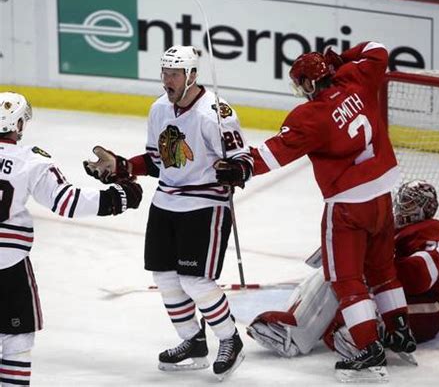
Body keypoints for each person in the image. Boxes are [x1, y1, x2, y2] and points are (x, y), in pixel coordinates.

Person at [214, 41, 415, 383]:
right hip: (383, 196)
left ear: (309, 83)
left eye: (301, 84)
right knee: (383, 270)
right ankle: (399, 332)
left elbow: (276, 151)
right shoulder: (356, 78)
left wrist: (241, 167)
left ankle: (368, 348)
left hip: (349, 206)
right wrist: (342, 57)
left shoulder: (312, 115)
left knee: (347, 280)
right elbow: (378, 50)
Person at [83, 45, 252, 381]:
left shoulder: (215, 113)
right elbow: (157, 162)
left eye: (173, 73)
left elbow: (243, 161)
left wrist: (235, 172)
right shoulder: (159, 109)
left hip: (205, 205)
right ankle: (193, 341)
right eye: (164, 73)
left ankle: (230, 339)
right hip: (165, 203)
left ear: (191, 75)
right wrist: (123, 167)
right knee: (164, 277)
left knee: (195, 280)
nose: (166, 80)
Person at [0, 92, 143, 387]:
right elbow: (67, 202)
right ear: (19, 126)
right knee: (16, 338)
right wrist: (120, 196)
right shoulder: (30, 161)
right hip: (9, 266)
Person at [247, 180, 439, 360]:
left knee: (348, 324)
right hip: (392, 298)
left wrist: (373, 263)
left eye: (409, 203)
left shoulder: (434, 230)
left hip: (425, 309)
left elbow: (421, 277)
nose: (401, 207)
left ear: (425, 208)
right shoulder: (390, 229)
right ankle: (292, 328)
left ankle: (366, 336)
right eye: (401, 200)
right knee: (334, 272)